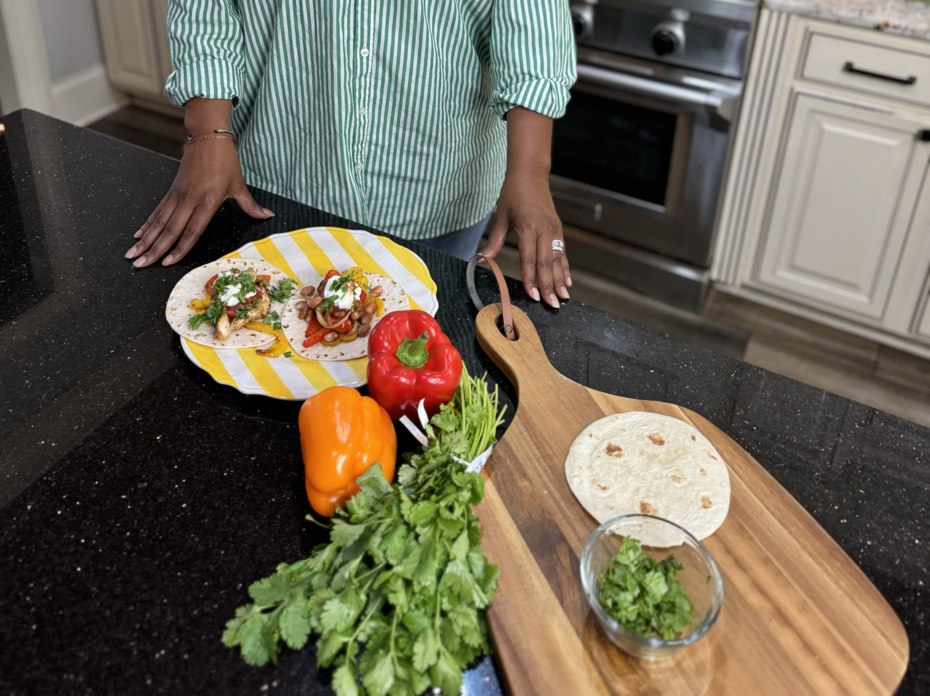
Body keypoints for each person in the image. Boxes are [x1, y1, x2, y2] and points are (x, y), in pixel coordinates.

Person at [125, 1, 575, 308]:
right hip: (281, 173)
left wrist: (531, 171)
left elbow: (531, 20)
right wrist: (208, 133)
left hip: (441, 182)